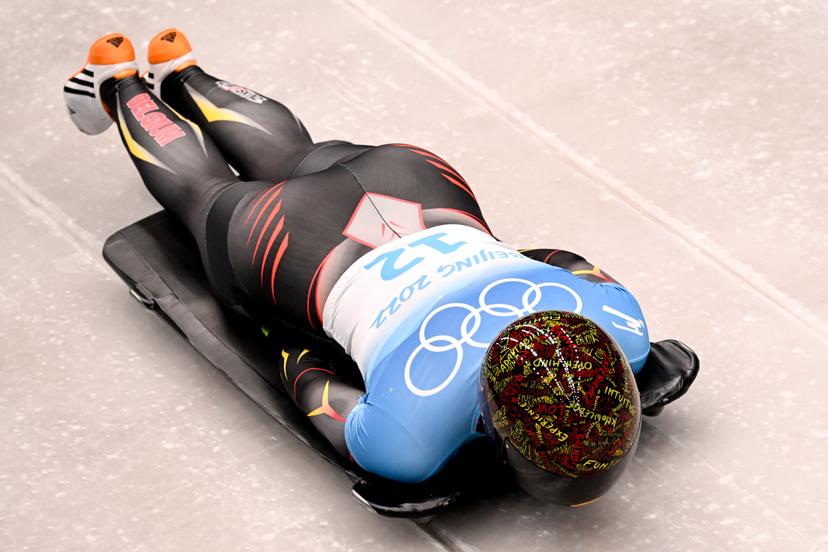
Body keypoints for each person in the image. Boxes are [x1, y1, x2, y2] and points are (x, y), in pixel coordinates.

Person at [65, 29, 655, 506]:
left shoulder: (623, 324)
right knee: (207, 194)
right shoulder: (408, 441)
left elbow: (559, 258)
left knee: (299, 156)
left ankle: (182, 71)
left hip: (413, 184)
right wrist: (277, 331)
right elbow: (306, 377)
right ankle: (119, 85)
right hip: (301, 246)